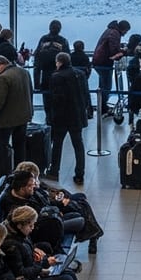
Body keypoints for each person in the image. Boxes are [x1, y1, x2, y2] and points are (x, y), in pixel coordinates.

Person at [0, 55, 34, 179]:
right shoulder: (24, 72)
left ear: (0, 65)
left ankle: (4, 175)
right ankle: (21, 173)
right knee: (20, 146)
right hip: (23, 116)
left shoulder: (3, 78)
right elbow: (30, 91)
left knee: (2, 147)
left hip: (7, 119)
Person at [47, 52, 90, 184]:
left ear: (59, 62)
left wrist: (51, 116)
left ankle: (54, 171)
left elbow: (56, 99)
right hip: (77, 115)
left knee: (57, 144)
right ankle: (79, 173)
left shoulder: (56, 76)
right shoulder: (80, 74)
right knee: (78, 144)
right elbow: (85, 94)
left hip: (62, 117)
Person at [91, 19, 130, 115]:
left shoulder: (110, 30)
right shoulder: (115, 33)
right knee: (106, 86)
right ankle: (103, 108)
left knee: (102, 86)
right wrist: (124, 51)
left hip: (98, 61)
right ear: (123, 29)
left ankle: (102, 106)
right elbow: (113, 51)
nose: (125, 33)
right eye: (126, 31)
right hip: (103, 62)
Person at [33, 19, 68, 120]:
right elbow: (67, 58)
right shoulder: (63, 41)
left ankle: (48, 117)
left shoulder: (43, 39)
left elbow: (37, 58)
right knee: (58, 97)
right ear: (60, 29)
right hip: (59, 74)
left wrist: (36, 83)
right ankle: (56, 117)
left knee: (47, 98)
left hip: (46, 74)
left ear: (49, 28)